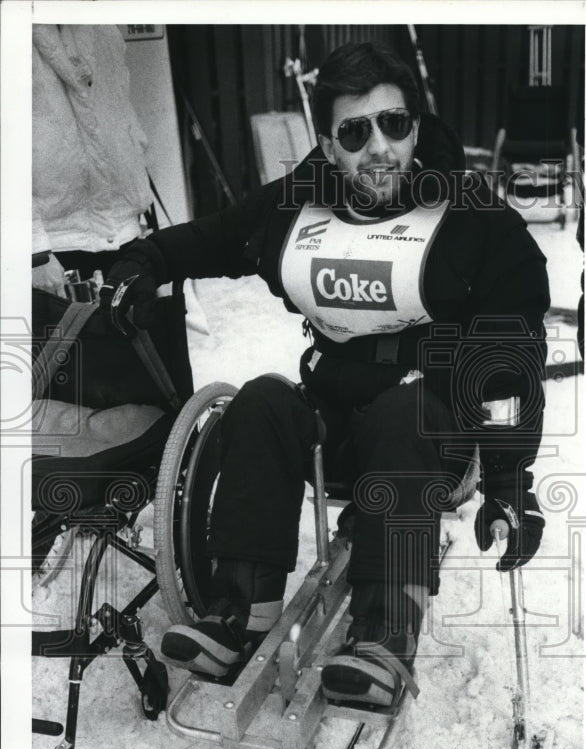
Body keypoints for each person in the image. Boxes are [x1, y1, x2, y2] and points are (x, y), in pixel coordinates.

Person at [100, 41, 550, 707]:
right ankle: (238, 613)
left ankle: (384, 635)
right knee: (259, 402)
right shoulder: (298, 204)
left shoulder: (470, 215)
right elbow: (217, 236)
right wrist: (145, 261)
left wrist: (511, 483)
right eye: (355, 131)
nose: (379, 148)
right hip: (335, 408)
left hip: (430, 425)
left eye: (395, 124)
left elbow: (514, 352)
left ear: (415, 127)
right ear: (329, 145)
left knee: (405, 413)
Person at [32, 24, 153, 297]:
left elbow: (121, 109)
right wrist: (33, 250)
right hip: (56, 243)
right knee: (64, 339)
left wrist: (138, 205)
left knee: (138, 333)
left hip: (123, 230)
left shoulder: (102, 28)